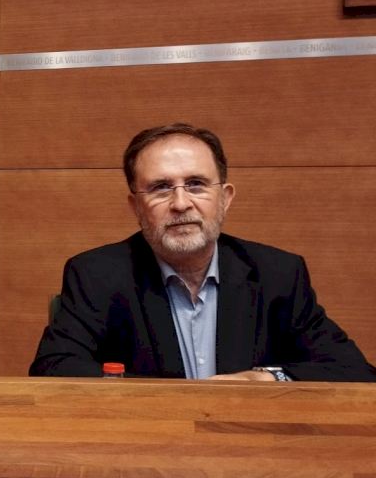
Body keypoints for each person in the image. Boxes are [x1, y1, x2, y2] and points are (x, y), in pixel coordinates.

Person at [30, 123, 375, 382]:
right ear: (136, 207)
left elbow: (353, 371)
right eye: (161, 188)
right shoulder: (96, 275)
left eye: (196, 184)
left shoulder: (278, 274)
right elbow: (54, 369)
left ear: (225, 198)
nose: (181, 203)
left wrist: (268, 377)